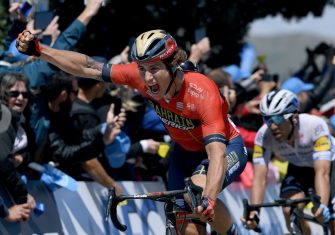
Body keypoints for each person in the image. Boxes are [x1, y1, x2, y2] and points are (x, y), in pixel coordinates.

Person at [16, 29, 248, 234]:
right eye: (142, 69)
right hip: (183, 155)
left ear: (173, 65)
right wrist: (40, 49)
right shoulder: (142, 79)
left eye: (155, 69)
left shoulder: (201, 91)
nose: (148, 79)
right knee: (185, 227)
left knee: (196, 190)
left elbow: (216, 153)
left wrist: (209, 197)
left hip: (226, 148)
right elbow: (87, 66)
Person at [241, 89, 335, 235]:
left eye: (277, 118)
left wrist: (322, 205)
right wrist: (254, 211)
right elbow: (259, 177)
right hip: (299, 167)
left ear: (294, 117)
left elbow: (322, 172)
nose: (272, 125)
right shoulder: (263, 135)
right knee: (289, 209)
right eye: (267, 119)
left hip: (329, 166)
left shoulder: (315, 125)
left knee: (325, 214)